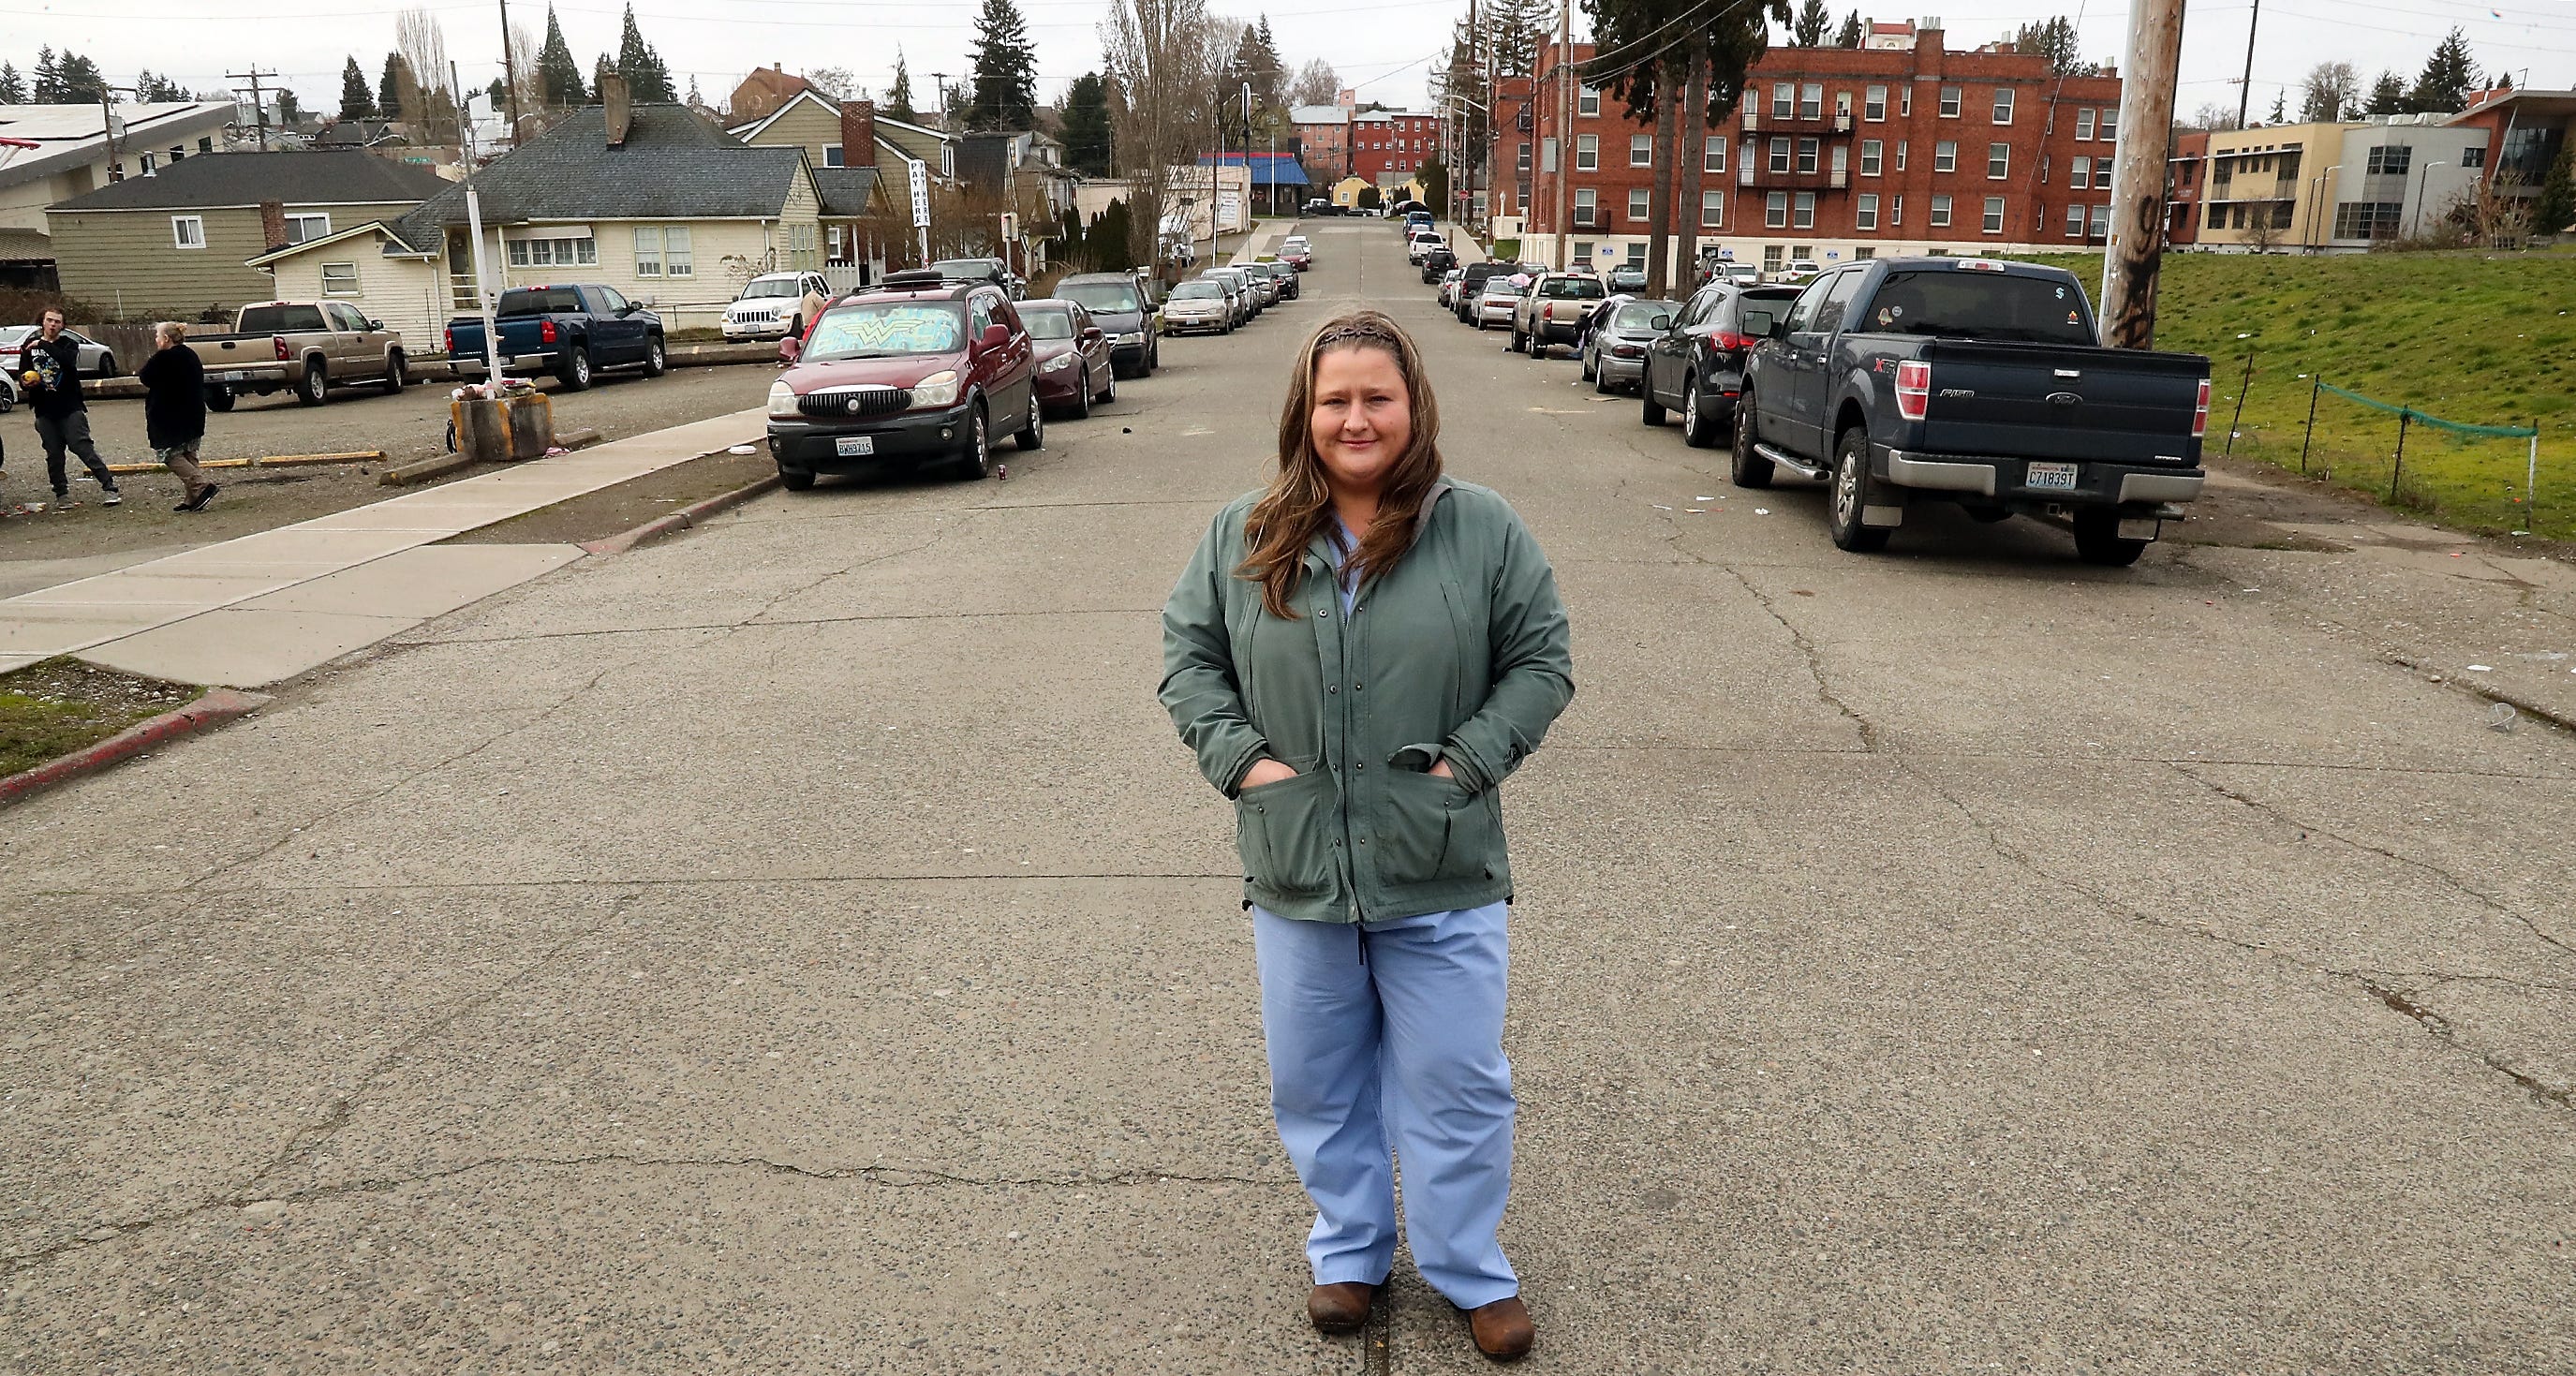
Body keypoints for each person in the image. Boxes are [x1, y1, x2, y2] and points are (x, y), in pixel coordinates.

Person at [1160, 309, 1574, 1362]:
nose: (1354, 418)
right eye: (1333, 399)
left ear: (1412, 405)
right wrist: (1245, 765)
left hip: (1439, 865)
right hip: (1298, 865)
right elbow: (1190, 661)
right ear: (1304, 411)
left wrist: (1462, 766)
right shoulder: (1244, 532)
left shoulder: (1478, 527)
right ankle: (1348, 1251)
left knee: (1455, 1080)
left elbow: (1540, 662)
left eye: (1374, 397)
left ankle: (1467, 1266)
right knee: (1316, 1079)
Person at [23, 307, 121, 508]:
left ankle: (109, 487)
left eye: (57, 322)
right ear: (42, 322)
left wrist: (42, 344)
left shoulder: (69, 344)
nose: (53, 325)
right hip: (44, 408)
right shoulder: (29, 347)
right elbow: (24, 373)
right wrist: (26, 382)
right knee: (54, 453)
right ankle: (61, 494)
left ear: (62, 325)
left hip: (69, 405)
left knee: (82, 446)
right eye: (49, 320)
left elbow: (67, 361)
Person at [138, 321, 216, 511]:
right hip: (194, 413)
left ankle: (201, 485)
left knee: (170, 454)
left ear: (166, 339)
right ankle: (193, 498)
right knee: (188, 453)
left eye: (157, 336)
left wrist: (157, 355)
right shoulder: (190, 354)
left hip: (170, 416)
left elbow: (145, 377)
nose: (156, 340)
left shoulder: (164, 358)